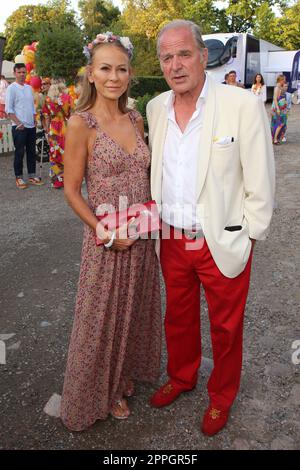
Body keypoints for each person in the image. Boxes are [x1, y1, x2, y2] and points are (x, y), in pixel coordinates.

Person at [147, 20, 275, 436]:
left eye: (184, 53)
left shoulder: (241, 104)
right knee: (178, 318)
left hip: (222, 238)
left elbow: (260, 176)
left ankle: (221, 396)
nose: (175, 64)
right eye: (167, 57)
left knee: (226, 325)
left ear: (204, 57)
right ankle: (183, 377)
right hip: (171, 237)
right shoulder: (155, 108)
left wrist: (250, 233)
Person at [60, 32, 162, 431]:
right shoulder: (80, 123)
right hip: (107, 241)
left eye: (121, 68)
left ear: (130, 73)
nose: (114, 76)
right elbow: (71, 190)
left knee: (135, 309)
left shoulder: (137, 118)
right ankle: (101, 390)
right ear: (91, 73)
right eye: (105, 68)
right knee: (101, 318)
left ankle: (124, 375)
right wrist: (104, 231)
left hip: (142, 234)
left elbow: (147, 174)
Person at [5, 63, 44, 189]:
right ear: (14, 73)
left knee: (32, 152)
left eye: (23, 72)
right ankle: (19, 177)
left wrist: (34, 120)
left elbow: (32, 107)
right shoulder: (12, 88)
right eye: (19, 72)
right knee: (20, 152)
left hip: (30, 126)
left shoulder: (28, 88)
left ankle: (32, 175)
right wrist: (18, 123)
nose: (22, 74)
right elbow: (9, 110)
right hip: (19, 127)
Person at [42, 78, 72, 188]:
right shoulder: (68, 98)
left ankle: (57, 180)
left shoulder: (48, 99)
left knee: (54, 155)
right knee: (66, 153)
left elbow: (46, 116)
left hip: (53, 129)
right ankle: (68, 180)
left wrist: (46, 130)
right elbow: (71, 114)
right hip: (65, 128)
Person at [270, 74, 287, 145]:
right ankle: (275, 139)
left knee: (281, 124)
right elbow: (275, 98)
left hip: (282, 108)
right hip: (278, 108)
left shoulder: (280, 87)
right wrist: (278, 109)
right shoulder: (277, 87)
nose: (285, 81)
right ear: (281, 80)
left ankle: (276, 138)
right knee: (279, 124)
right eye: (284, 80)